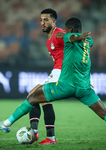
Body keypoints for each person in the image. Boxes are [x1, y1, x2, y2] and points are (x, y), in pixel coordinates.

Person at [0, 17, 106, 147]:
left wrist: (73, 37)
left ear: (69, 29)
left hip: (66, 86)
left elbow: (71, 38)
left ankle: (7, 125)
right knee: (105, 113)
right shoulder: (89, 41)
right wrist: (79, 37)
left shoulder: (68, 37)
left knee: (32, 97)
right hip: (84, 88)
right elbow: (78, 42)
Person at [26, 8, 65, 145]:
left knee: (33, 95)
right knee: (42, 99)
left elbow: (76, 45)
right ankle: (49, 137)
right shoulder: (49, 40)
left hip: (63, 73)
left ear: (54, 22)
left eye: (46, 20)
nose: (42, 23)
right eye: (41, 20)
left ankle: (34, 133)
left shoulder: (60, 34)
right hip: (58, 72)